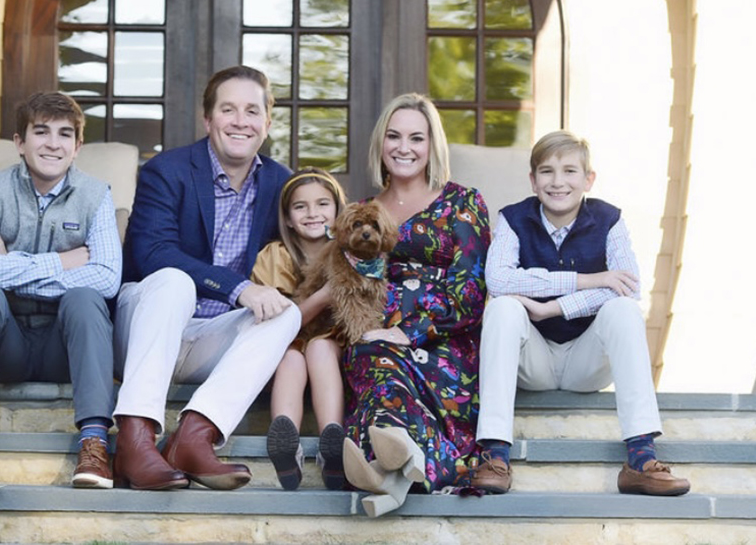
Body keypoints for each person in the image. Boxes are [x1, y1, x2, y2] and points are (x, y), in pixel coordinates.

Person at [470, 130, 690, 497]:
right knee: (503, 308)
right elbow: (498, 280)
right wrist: (588, 279)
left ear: (588, 179)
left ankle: (640, 458)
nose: (558, 182)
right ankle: (494, 454)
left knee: (623, 309)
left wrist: (552, 307)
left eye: (570, 171)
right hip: (533, 361)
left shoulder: (609, 220)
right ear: (532, 179)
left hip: (587, 362)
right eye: (547, 172)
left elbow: (629, 287)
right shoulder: (513, 219)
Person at [111, 65, 301, 491]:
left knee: (287, 313)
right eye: (228, 109)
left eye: (252, 111)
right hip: (146, 327)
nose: (240, 121)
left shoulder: (280, 182)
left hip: (211, 338)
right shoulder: (167, 170)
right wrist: (238, 288)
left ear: (267, 124)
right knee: (174, 280)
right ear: (208, 119)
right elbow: (153, 253)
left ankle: (195, 436)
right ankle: (135, 438)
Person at [0, 92, 121, 490]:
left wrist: (9, 261)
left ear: (77, 147)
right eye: (41, 132)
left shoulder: (96, 195)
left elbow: (107, 277)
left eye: (65, 134)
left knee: (86, 299)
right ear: (20, 143)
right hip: (6, 340)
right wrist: (62, 261)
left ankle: (94, 444)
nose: (52, 143)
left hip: (65, 346)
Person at [341, 93, 490, 517]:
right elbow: (349, 279)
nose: (403, 147)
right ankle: (395, 471)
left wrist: (410, 332)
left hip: (446, 342)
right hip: (377, 337)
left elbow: (473, 291)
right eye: (393, 136)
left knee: (382, 355)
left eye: (416, 138)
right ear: (380, 144)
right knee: (370, 352)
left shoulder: (463, 202)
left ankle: (387, 470)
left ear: (432, 146)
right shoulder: (365, 213)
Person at [254, 168, 348, 492]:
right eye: (300, 207)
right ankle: (286, 447)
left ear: (338, 210)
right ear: (288, 218)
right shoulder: (276, 255)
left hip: (335, 342)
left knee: (320, 349)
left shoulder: (350, 253)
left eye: (323, 203)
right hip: (288, 341)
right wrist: (323, 297)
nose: (312, 214)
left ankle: (332, 445)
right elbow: (278, 325)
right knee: (292, 358)